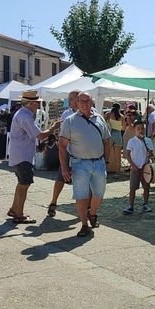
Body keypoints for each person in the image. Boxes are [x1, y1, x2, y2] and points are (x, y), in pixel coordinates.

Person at [59, 91, 111, 237]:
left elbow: (106, 141)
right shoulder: (70, 121)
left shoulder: (99, 118)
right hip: (79, 163)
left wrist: (106, 161)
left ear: (91, 102)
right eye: (81, 101)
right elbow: (62, 145)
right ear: (76, 103)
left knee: (99, 193)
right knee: (81, 195)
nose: (84, 103)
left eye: (87, 100)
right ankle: (84, 224)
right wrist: (64, 168)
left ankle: (92, 213)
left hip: (99, 162)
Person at [7, 90, 60, 224]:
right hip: (22, 155)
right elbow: (40, 135)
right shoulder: (25, 116)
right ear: (31, 103)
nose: (38, 105)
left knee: (21, 184)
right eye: (37, 103)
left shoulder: (23, 114)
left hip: (20, 154)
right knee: (24, 184)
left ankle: (14, 209)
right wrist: (53, 128)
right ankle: (19, 214)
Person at [47, 90, 80, 217]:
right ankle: (53, 203)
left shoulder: (87, 112)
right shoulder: (66, 114)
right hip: (68, 151)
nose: (69, 101)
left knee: (82, 181)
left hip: (81, 153)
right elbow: (61, 132)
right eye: (69, 99)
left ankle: (84, 208)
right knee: (60, 177)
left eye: (70, 99)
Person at [122, 120, 154, 215]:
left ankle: (145, 204)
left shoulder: (148, 141)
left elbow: (151, 154)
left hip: (145, 168)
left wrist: (149, 151)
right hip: (135, 168)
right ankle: (131, 206)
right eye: (138, 129)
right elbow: (128, 154)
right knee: (133, 188)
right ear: (135, 130)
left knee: (146, 187)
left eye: (142, 129)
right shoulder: (132, 141)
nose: (140, 131)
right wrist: (133, 165)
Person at [105, 103, 124, 174]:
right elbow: (124, 127)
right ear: (119, 108)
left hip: (110, 134)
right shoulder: (121, 116)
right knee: (118, 156)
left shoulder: (108, 114)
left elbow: (104, 123)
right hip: (118, 135)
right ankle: (118, 172)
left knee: (107, 155)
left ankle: (105, 170)